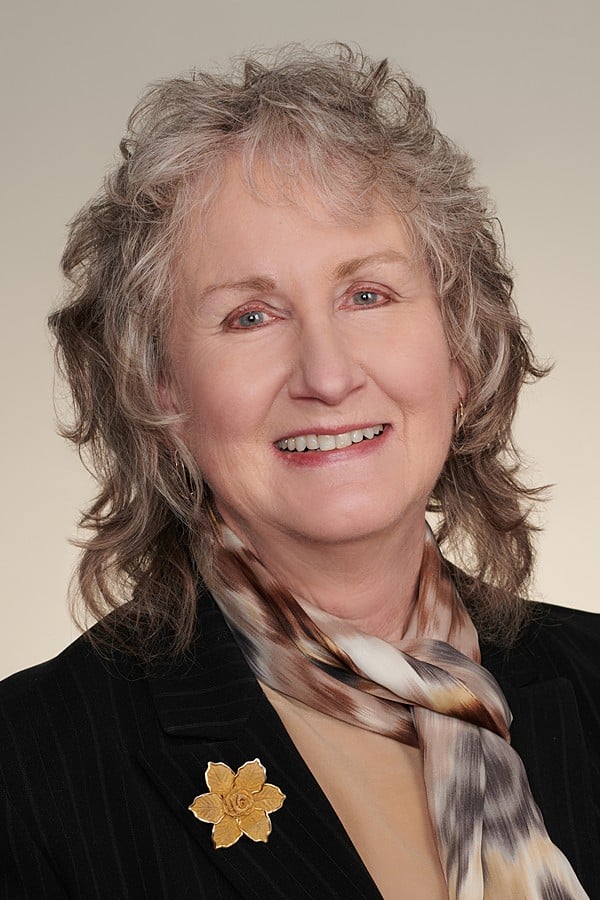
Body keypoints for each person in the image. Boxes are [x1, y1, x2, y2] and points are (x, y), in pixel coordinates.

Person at [0, 44, 598, 900]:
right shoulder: (31, 769)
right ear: (160, 390)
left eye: (368, 296)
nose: (327, 373)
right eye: (250, 316)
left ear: (462, 351)